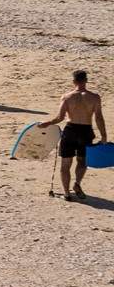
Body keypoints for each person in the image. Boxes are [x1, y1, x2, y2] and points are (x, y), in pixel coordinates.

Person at [37, 70, 107, 201]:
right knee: (82, 161)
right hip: (86, 131)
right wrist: (104, 136)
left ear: (74, 81)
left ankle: (67, 194)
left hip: (71, 131)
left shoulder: (67, 97)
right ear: (86, 80)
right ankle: (77, 184)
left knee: (65, 164)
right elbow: (99, 118)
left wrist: (46, 123)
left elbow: (60, 118)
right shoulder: (95, 97)